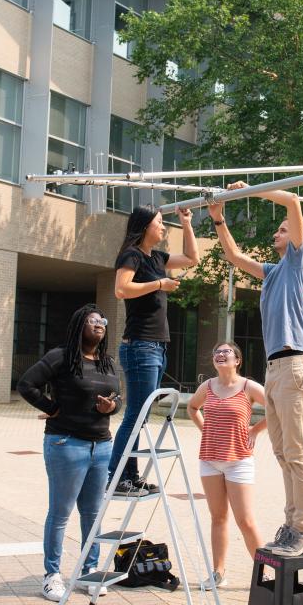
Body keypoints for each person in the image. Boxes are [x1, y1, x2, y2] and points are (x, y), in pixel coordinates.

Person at [207, 183, 303, 556]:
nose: (277, 232)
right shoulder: (272, 272)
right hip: (275, 369)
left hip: (295, 364)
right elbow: (234, 256)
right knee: (283, 454)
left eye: (283, 229)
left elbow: (293, 201)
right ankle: (291, 525)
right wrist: (220, 219)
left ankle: (302, 526)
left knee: (297, 452)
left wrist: (254, 190)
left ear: (299, 236)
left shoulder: (300, 262)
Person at [17, 304, 122, 602]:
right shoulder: (60, 357)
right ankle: (52, 576)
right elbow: (26, 384)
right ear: (79, 325)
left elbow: (120, 400)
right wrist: (52, 408)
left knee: (92, 514)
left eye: (102, 320)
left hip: (101, 446)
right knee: (60, 513)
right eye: (92, 320)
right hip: (66, 444)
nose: (99, 324)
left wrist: (111, 407)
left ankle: (89, 573)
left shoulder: (108, 362)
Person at [108, 205, 198, 495]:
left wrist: (186, 224)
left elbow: (192, 259)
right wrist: (160, 283)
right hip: (140, 345)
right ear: (145, 226)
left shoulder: (158, 257)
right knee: (135, 413)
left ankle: (130, 476)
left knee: (141, 414)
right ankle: (117, 476)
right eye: (160, 223)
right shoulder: (131, 255)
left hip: (157, 346)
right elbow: (121, 289)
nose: (163, 227)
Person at [187, 341, 266, 589]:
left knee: (246, 521)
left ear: (237, 360)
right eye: (217, 352)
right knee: (218, 518)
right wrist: (205, 429)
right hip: (210, 460)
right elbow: (192, 407)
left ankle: (264, 573)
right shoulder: (207, 386)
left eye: (226, 352)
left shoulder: (248, 386)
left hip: (238, 461)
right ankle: (218, 572)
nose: (220, 355)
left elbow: (275, 409)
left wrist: (256, 430)